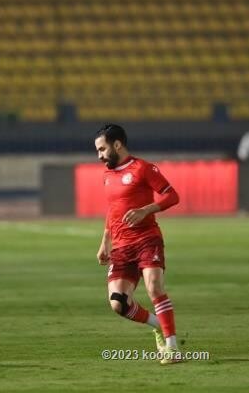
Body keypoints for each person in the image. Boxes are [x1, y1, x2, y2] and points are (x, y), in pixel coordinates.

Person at [94, 124, 181, 364]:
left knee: (154, 287)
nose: (100, 155)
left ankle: (173, 348)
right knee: (118, 304)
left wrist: (146, 210)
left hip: (146, 239)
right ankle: (157, 326)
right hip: (121, 246)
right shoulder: (107, 176)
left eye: (102, 149)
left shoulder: (143, 168)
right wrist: (105, 243)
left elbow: (172, 195)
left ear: (117, 145)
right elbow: (112, 211)